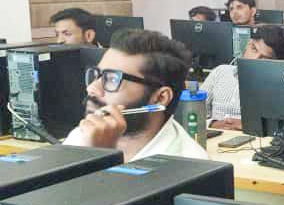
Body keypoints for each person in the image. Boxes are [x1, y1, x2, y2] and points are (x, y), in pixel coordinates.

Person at [63, 29, 208, 162]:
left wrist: (100, 157)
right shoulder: (85, 134)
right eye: (97, 75)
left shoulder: (189, 164)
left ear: (160, 98)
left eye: (112, 79)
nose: (91, 88)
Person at [200, 25, 284, 131]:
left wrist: (249, 126)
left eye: (264, 57)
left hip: (251, 138)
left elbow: (280, 128)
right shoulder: (220, 72)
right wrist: (212, 124)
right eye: (254, 49)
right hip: (214, 136)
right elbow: (194, 113)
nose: (255, 59)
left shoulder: (278, 89)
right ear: (247, 45)